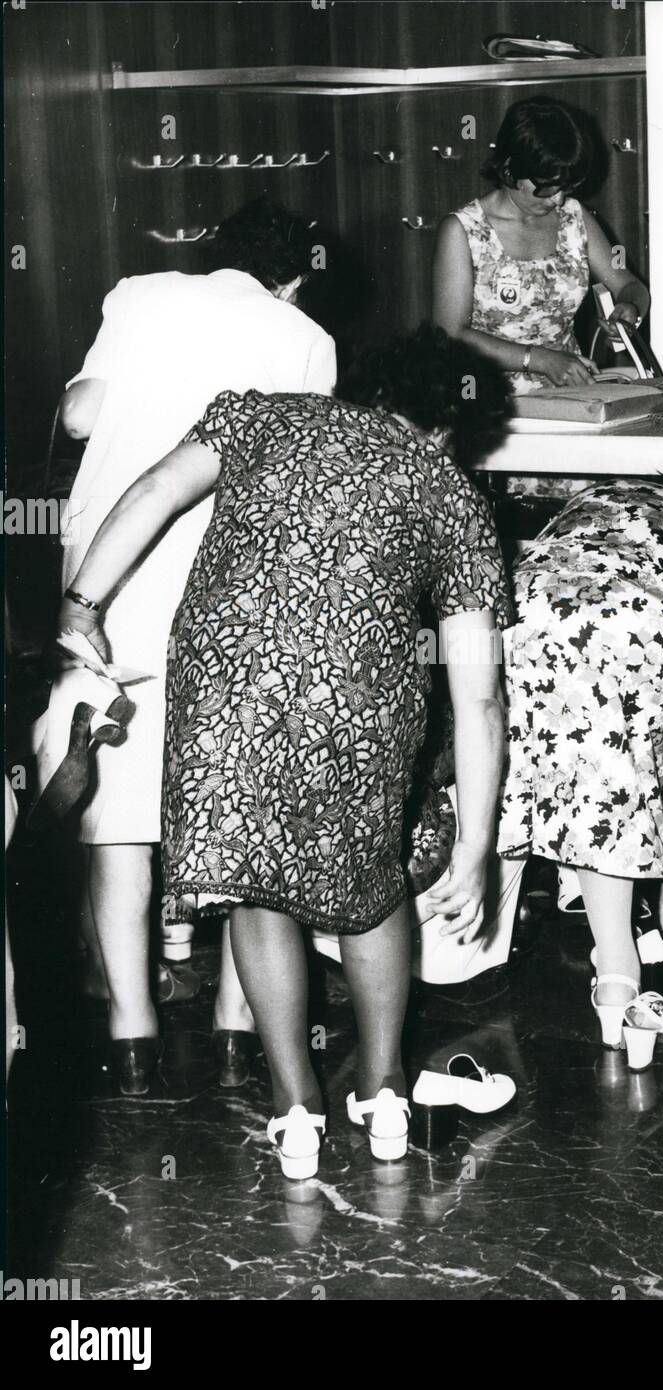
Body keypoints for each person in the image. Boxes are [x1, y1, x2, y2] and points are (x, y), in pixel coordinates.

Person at [58, 325, 513, 1178]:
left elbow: (154, 490)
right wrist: (479, 845)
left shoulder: (258, 418)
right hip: (362, 698)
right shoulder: (448, 487)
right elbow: (479, 694)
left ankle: (296, 1110)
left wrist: (83, 604)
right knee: (369, 885)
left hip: (229, 681)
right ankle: (383, 1092)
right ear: (445, 425)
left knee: (254, 886)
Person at [55, 196, 337, 1095]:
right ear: (289, 277)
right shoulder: (302, 334)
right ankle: (232, 1019)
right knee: (234, 795)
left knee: (119, 806)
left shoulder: (136, 293)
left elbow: (77, 419)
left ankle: (132, 1026)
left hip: (107, 571)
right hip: (222, 580)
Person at [497, 479, 663, 1067]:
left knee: (588, 768)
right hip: (640, 625)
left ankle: (616, 976)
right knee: (653, 761)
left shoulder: (596, 499)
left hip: (528, 614)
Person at [432, 96, 650, 394]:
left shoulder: (575, 218)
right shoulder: (463, 230)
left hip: (567, 392)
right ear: (509, 170)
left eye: (565, 187)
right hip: (485, 402)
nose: (556, 200)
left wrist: (629, 308)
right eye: (545, 187)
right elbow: (451, 334)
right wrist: (540, 360)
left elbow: (631, 286)